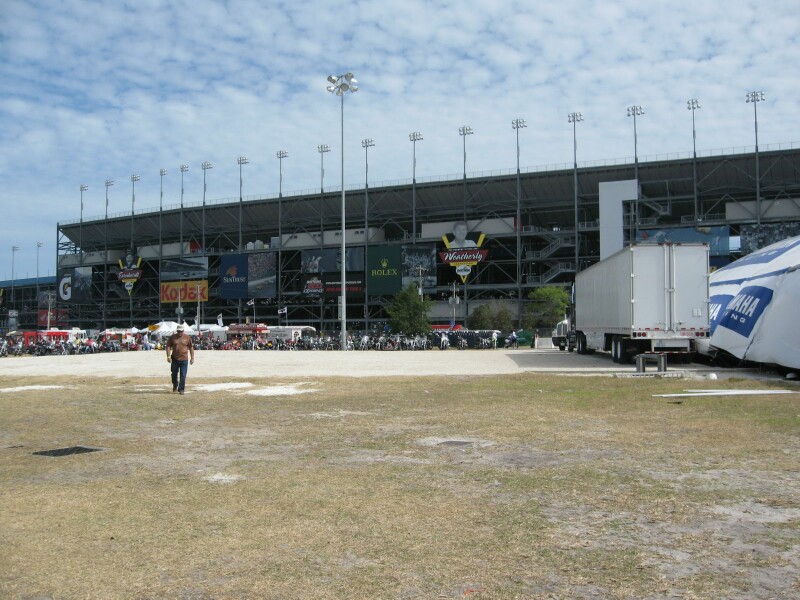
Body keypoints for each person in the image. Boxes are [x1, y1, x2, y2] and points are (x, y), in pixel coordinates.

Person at [166, 324, 194, 395]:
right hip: (175, 359)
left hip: (184, 359)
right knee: (174, 374)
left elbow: (191, 347)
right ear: (177, 331)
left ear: (183, 331)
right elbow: (168, 346)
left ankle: (181, 389)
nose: (180, 333)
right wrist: (168, 356)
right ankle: (175, 385)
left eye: (181, 331)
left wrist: (192, 358)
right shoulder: (173, 337)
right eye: (178, 331)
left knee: (183, 375)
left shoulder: (187, 337)